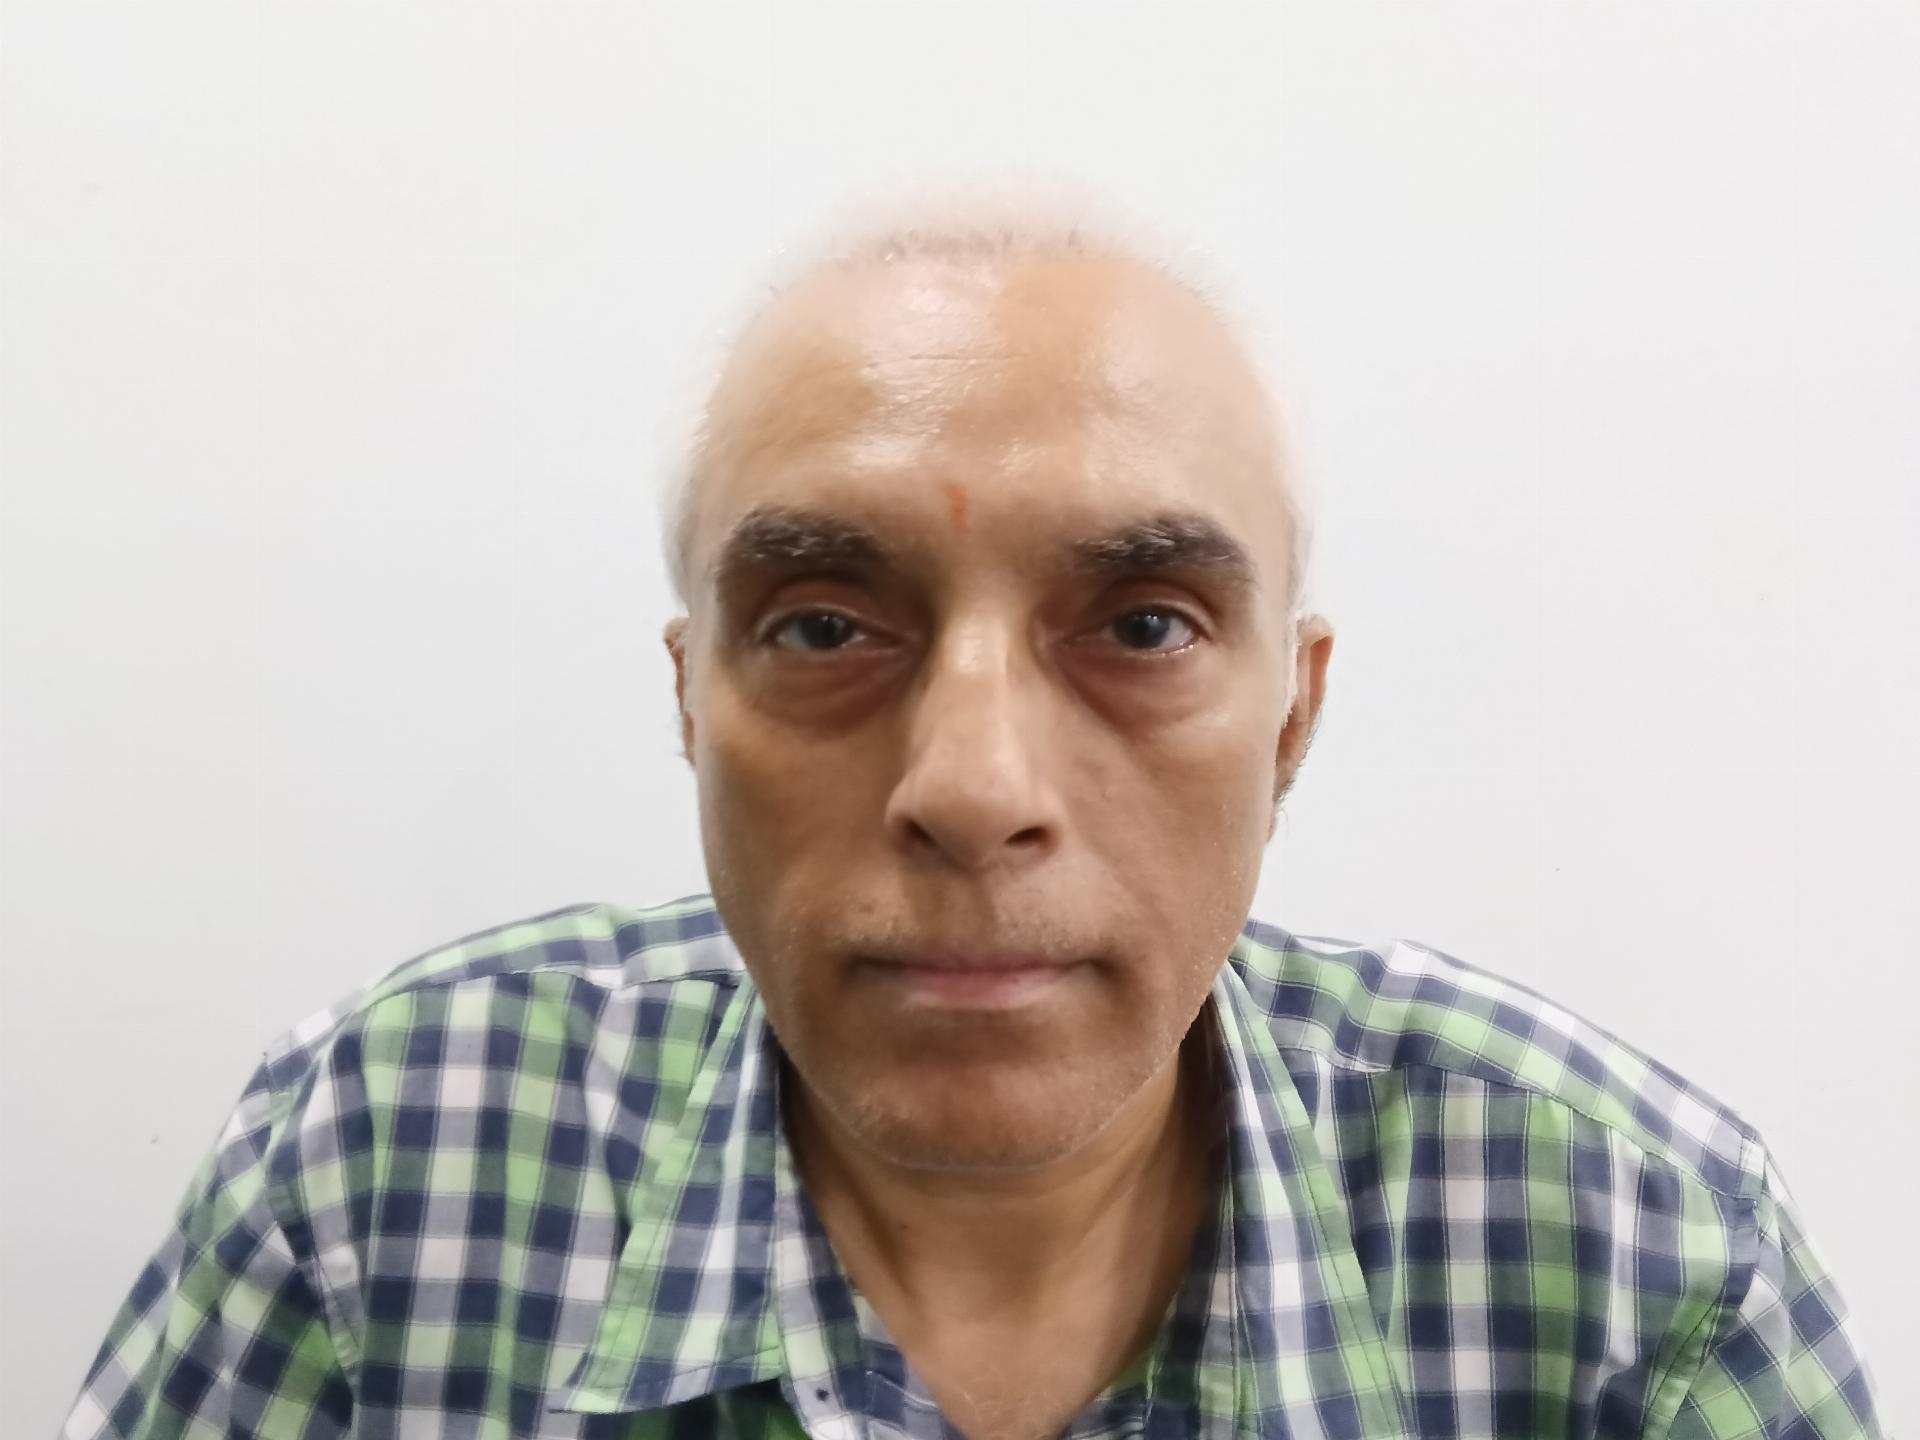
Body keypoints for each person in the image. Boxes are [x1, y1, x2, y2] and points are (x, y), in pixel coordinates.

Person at [62, 190, 1884, 1440]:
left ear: (1293, 716)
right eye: (825, 626)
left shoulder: (1633, 1254)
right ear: (692, 700)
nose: (974, 789)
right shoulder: (386, 1163)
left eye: (1144, 626)